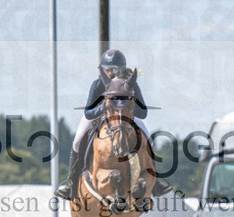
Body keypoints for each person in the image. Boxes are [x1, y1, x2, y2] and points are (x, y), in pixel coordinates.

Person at [55, 49, 172, 200]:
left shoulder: (131, 84)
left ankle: (155, 184)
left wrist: (127, 108)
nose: (110, 72)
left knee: (148, 139)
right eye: (107, 69)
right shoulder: (97, 85)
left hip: (125, 118)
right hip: (99, 116)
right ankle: (72, 183)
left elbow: (143, 112)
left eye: (113, 69)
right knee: (77, 140)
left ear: (121, 69)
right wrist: (104, 108)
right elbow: (88, 113)